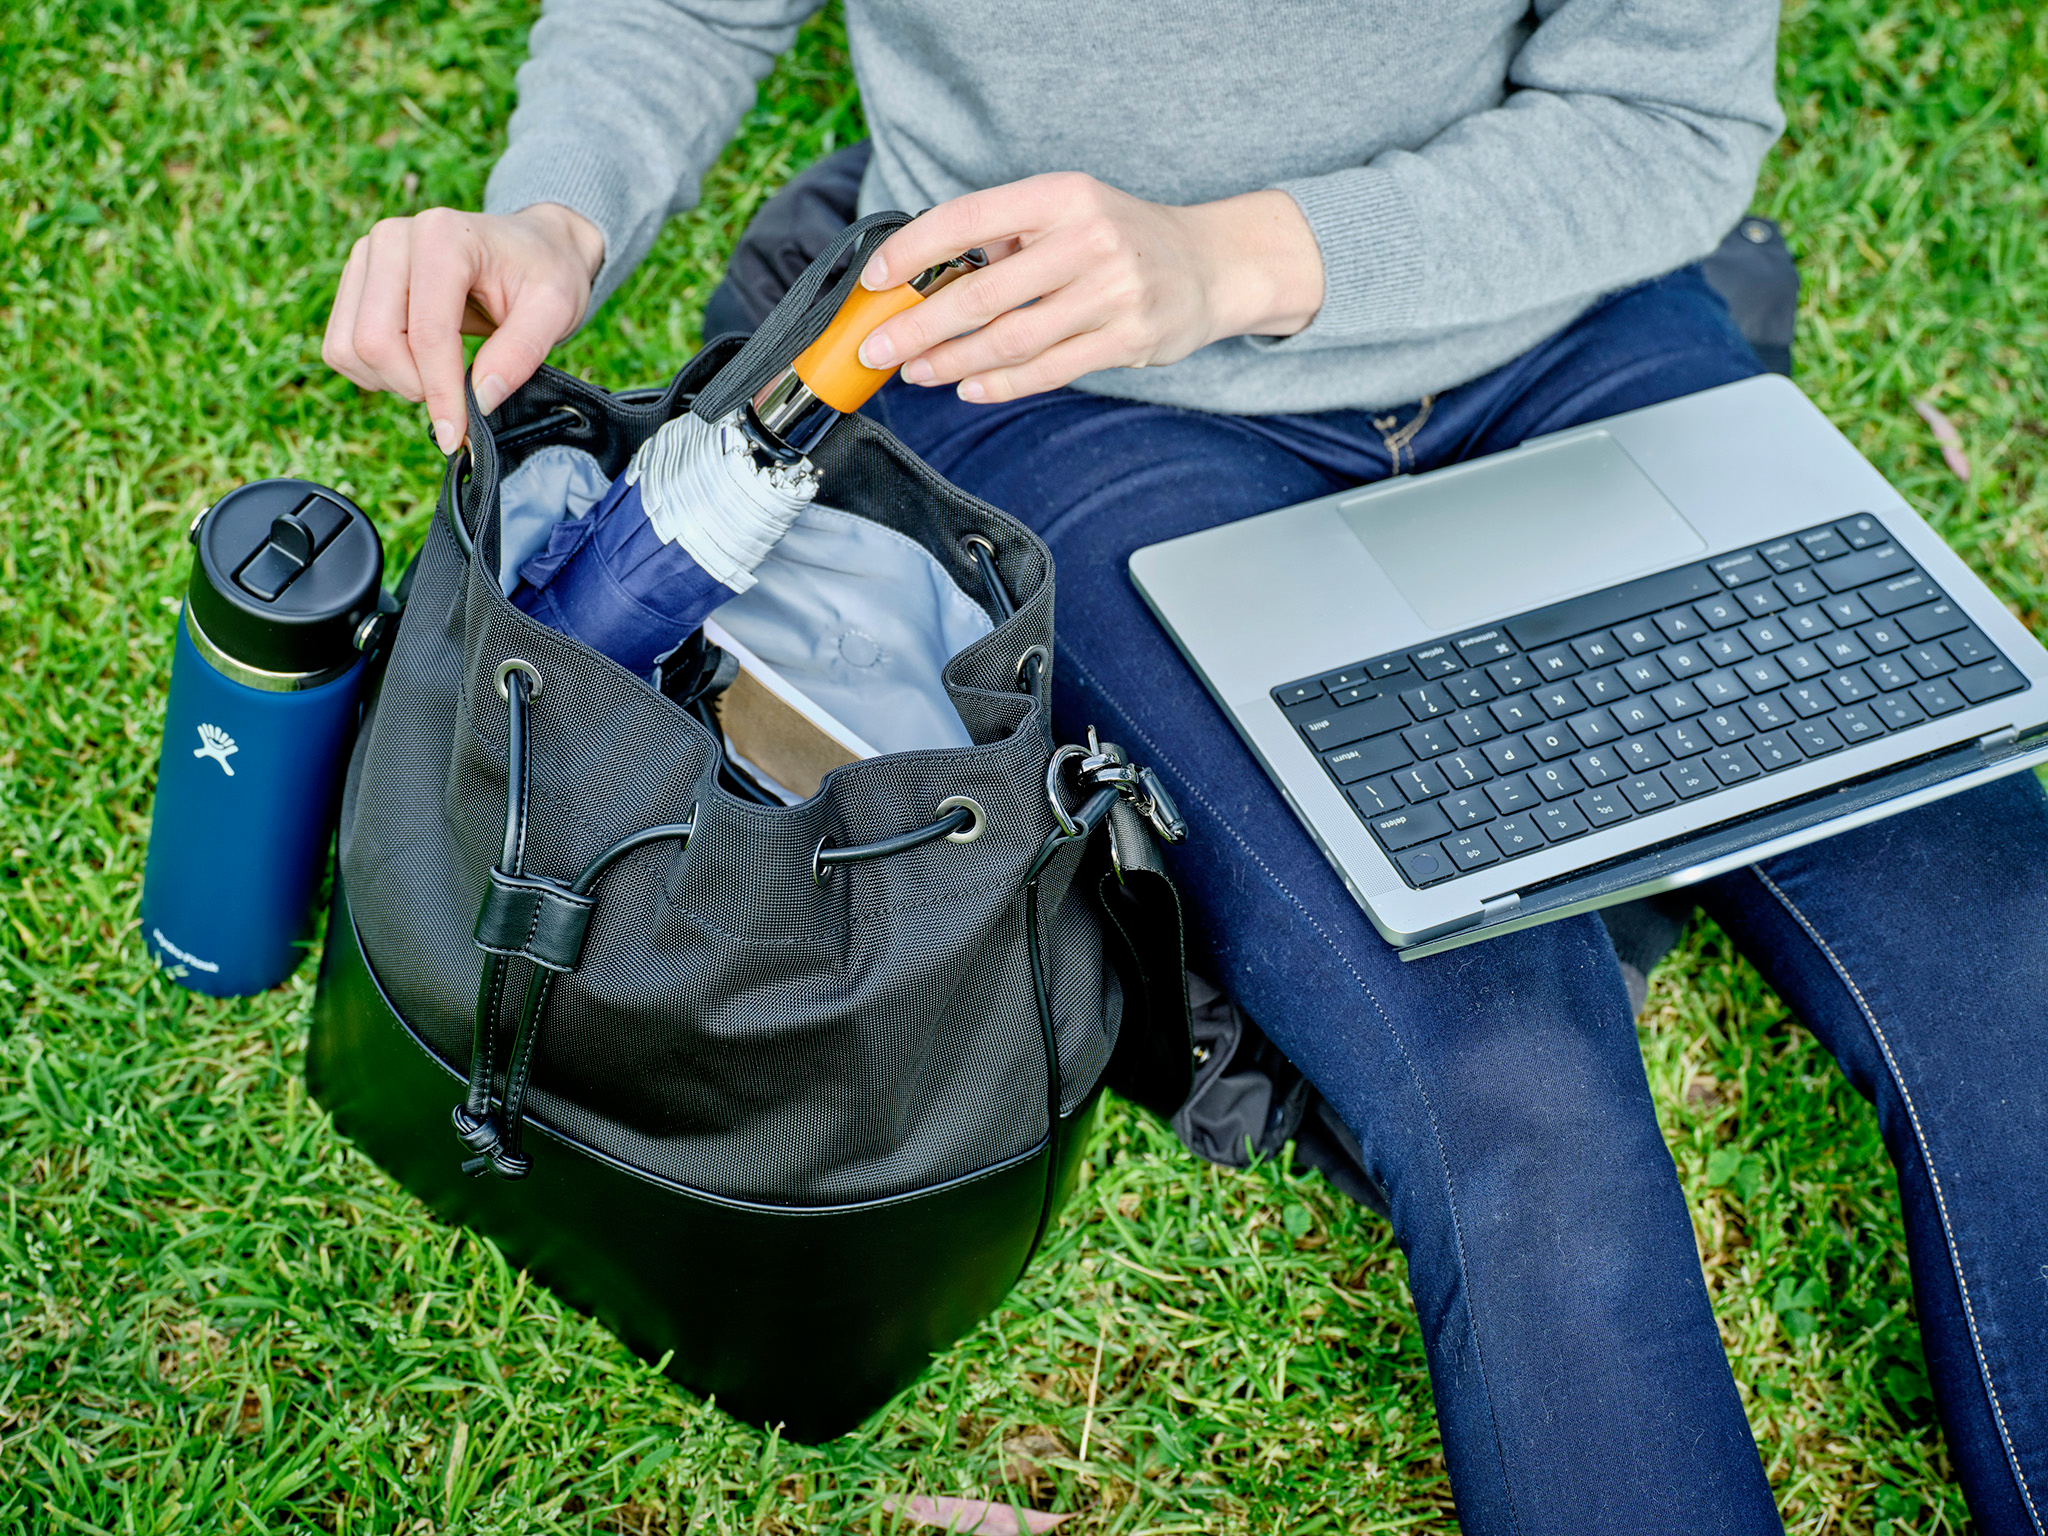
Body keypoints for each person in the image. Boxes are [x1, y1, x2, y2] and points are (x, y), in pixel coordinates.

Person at [321, 3, 2048, 1529]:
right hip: (1060, 389)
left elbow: (1671, 112)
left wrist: (1231, 259)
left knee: (2010, 951)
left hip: (1569, 332)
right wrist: (553, 209)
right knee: (1508, 1072)